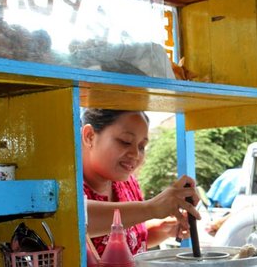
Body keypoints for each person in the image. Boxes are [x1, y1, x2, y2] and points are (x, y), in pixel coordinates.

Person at [81, 108, 201, 256]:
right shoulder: (66, 185)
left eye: (141, 146)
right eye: (125, 142)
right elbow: (76, 218)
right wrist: (150, 208)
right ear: (89, 136)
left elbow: (129, 242)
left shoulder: (127, 183)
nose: (135, 154)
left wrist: (161, 229)